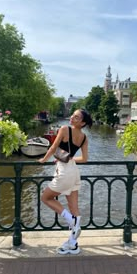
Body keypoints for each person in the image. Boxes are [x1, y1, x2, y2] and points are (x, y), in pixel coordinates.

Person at [38, 109, 93, 255]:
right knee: (74, 207)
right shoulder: (84, 137)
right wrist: (70, 158)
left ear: (82, 122)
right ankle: (73, 244)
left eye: (76, 117)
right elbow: (85, 159)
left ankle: (71, 221)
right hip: (74, 171)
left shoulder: (64, 129)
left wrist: (43, 160)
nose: (72, 118)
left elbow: (53, 147)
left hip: (64, 172)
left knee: (45, 197)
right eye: (73, 115)